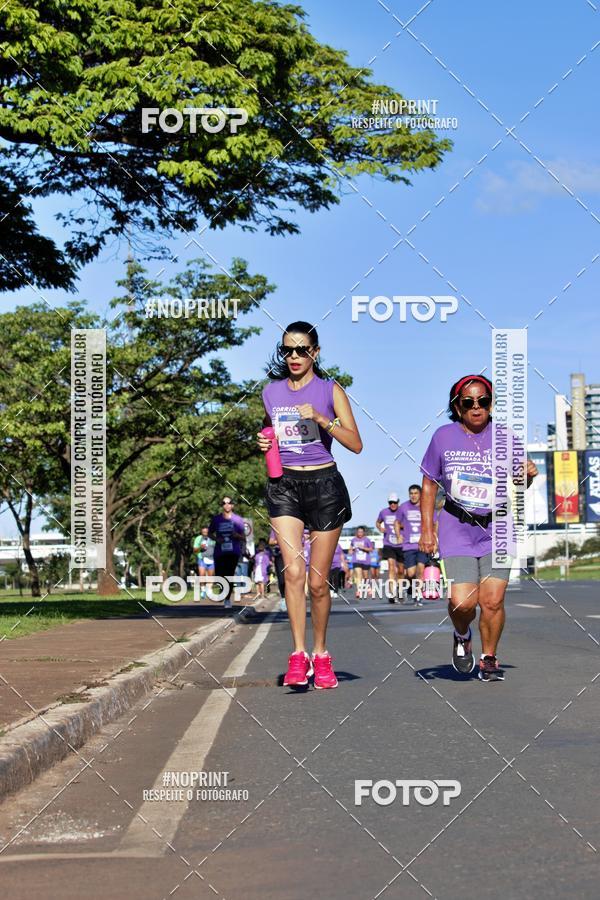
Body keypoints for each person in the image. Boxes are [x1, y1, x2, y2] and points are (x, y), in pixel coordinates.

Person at [258, 321, 362, 689]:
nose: (294, 357)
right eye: (288, 350)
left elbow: (355, 443)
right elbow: (272, 433)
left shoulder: (330, 390)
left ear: (315, 353)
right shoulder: (271, 393)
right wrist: (264, 444)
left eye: (302, 350)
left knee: (318, 583)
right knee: (293, 573)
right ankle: (298, 654)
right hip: (285, 484)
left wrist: (321, 419)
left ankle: (321, 653)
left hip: (325, 486)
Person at [419, 374, 538, 682]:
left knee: (493, 600)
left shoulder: (506, 438)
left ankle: (488, 657)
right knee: (462, 602)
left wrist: (528, 474)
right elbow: (430, 484)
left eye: (483, 402)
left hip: (497, 527)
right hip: (456, 526)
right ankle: (461, 634)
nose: (476, 407)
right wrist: (427, 529)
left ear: (490, 405)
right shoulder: (443, 437)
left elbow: (519, 479)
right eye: (468, 402)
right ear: (457, 407)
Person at [208, 496, 246, 609]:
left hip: (233, 551)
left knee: (229, 574)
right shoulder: (216, 519)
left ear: (232, 505)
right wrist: (216, 539)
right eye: (224, 503)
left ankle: (227, 599)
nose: (227, 505)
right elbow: (210, 533)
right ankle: (222, 590)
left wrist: (237, 535)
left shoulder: (238, 520)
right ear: (222, 505)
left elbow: (244, 537)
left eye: (229, 503)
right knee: (220, 574)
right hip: (219, 551)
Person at [398, 485, 428, 605]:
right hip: (408, 545)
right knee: (410, 573)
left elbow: (434, 522)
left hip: (422, 544)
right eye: (411, 493)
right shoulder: (403, 507)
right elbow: (396, 522)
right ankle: (408, 587)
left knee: (420, 570)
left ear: (420, 494)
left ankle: (418, 596)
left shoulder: (425, 506)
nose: (413, 495)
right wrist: (398, 535)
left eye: (416, 493)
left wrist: (435, 536)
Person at [376, 493, 404, 603]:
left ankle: (400, 591)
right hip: (388, 543)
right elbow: (378, 522)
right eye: (390, 503)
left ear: (398, 502)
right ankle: (392, 593)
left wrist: (399, 526)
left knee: (401, 570)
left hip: (401, 544)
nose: (393, 504)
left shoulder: (402, 512)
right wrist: (380, 529)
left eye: (395, 502)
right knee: (391, 567)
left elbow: (409, 524)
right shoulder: (383, 512)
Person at [192, 525, 215, 600]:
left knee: (210, 576)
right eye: (203, 532)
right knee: (202, 575)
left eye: (206, 532)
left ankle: (209, 590)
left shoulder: (213, 538)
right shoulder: (198, 538)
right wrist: (200, 548)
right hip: (202, 558)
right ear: (201, 532)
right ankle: (202, 590)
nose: (205, 533)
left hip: (211, 559)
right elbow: (194, 550)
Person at [350, 526, 374, 598]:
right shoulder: (353, 540)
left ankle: (368, 587)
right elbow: (350, 549)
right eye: (358, 532)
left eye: (361, 532)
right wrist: (351, 550)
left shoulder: (367, 540)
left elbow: (371, 549)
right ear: (356, 532)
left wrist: (363, 548)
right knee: (358, 575)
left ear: (363, 532)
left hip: (365, 560)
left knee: (365, 576)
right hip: (356, 560)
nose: (359, 533)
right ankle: (359, 591)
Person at [269, 527, 287, 612]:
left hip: (293, 554)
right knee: (282, 578)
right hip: (280, 555)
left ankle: (295, 599)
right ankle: (283, 598)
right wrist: (281, 541)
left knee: (294, 577)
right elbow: (271, 541)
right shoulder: (276, 527)